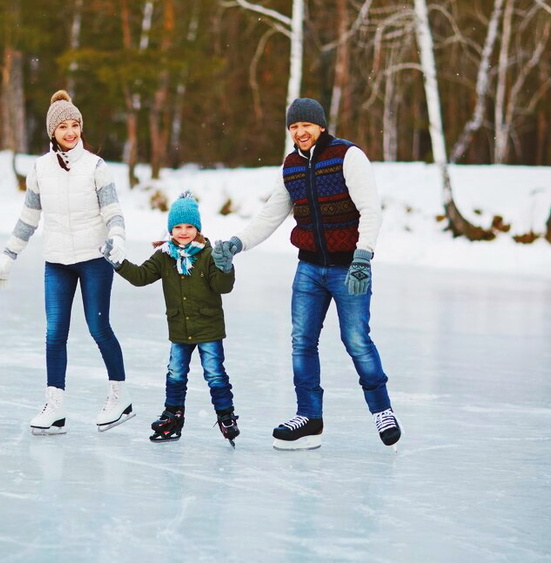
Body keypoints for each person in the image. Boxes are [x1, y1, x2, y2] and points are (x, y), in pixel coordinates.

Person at [211, 97, 400, 451]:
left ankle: (382, 410)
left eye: (306, 125)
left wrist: (363, 256)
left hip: (350, 268)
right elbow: (270, 215)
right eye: (294, 126)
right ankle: (309, 416)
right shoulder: (291, 166)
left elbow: (370, 210)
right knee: (302, 342)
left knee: (356, 340)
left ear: (321, 126)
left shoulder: (347, 156)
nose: (300, 132)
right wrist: (237, 243)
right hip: (309, 269)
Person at [0, 90, 134, 436]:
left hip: (94, 259)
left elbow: (113, 212)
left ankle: (121, 398)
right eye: (63, 127)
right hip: (57, 262)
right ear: (52, 132)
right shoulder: (40, 169)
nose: (70, 132)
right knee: (55, 333)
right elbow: (28, 219)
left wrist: (117, 238)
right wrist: (8, 255)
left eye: (75, 125)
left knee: (98, 327)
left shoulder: (96, 167)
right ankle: (55, 407)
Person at [102, 191, 240, 446]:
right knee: (175, 374)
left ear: (198, 229)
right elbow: (141, 276)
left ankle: (226, 415)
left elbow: (223, 287)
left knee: (215, 374)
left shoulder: (209, 255)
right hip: (180, 328)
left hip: (208, 328)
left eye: (189, 227)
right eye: (178, 227)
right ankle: (172, 416)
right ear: (170, 229)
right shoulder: (164, 256)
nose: (183, 232)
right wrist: (119, 262)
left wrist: (225, 267)